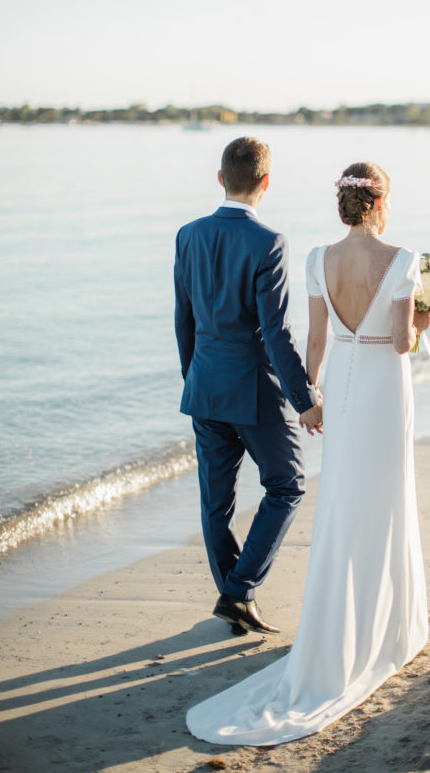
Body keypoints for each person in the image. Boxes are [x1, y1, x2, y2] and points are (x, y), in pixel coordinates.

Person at [186, 160, 430, 744]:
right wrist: (428, 314)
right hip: (382, 387)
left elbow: (314, 339)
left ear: (344, 203)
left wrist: (311, 397)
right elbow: (402, 342)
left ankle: (321, 619)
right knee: (387, 497)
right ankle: (385, 624)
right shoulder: (403, 260)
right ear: (379, 203)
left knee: (342, 500)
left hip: (340, 389)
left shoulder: (318, 259)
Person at [174, 136, 323, 636]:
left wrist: (193, 377)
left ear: (221, 178)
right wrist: (304, 399)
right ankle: (238, 592)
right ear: (265, 182)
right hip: (254, 391)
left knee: (215, 503)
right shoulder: (269, 243)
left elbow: (184, 320)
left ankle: (234, 595)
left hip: (205, 386)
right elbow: (276, 332)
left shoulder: (187, 235)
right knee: (287, 485)